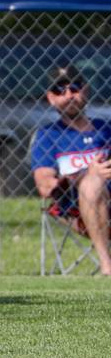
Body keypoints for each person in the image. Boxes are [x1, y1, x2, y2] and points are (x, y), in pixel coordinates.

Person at [30, 64, 111, 276]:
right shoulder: (48, 136)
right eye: (59, 90)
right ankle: (107, 267)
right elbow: (45, 185)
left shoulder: (106, 128)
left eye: (74, 88)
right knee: (92, 183)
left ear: (85, 90)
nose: (68, 95)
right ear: (51, 98)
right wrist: (86, 174)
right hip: (80, 207)